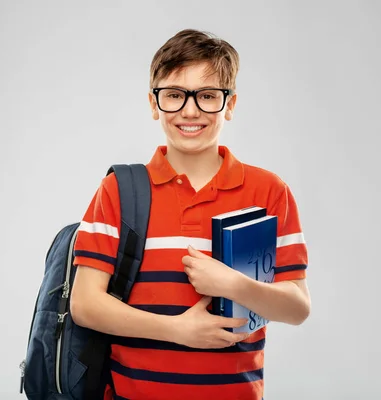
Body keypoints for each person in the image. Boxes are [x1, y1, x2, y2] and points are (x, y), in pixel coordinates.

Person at [70, 28, 311, 400]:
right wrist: (177, 330)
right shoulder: (119, 191)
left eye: (208, 96)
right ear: (154, 104)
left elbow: (297, 308)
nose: (190, 110)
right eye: (175, 95)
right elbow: (85, 304)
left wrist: (232, 284)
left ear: (229, 105)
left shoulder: (268, 192)